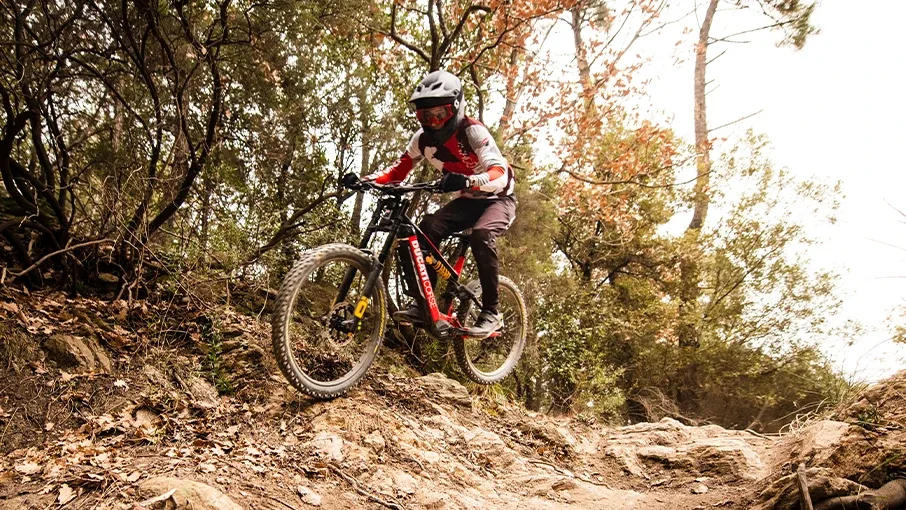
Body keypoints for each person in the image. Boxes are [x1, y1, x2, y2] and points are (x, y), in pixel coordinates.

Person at [342, 70, 516, 337]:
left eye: (440, 114)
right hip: (468, 201)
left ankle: (492, 312)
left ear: (455, 108)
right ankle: (424, 304)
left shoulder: (472, 131)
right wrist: (364, 180)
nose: (433, 122)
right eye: (425, 116)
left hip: (499, 198)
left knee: (481, 235)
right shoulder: (421, 141)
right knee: (425, 228)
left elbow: (499, 173)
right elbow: (397, 172)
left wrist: (468, 180)